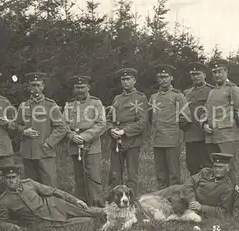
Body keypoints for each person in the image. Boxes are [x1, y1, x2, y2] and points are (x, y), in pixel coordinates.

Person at [0, 165, 102, 230]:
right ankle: (100, 220)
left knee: (88, 211)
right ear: (4, 179)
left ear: (19, 177)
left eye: (13, 177)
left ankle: (114, 213)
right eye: (8, 178)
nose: (11, 181)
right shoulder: (3, 201)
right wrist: (12, 227)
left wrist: (75, 200)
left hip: (56, 205)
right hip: (43, 221)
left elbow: (53, 191)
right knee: (87, 221)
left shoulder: (29, 184)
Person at [142, 153, 239, 220]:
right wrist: (192, 199)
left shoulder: (228, 187)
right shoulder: (206, 172)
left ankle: (142, 213)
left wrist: (201, 207)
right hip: (184, 193)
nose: (217, 170)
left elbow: (223, 212)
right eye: (215, 166)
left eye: (221, 167)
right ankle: (136, 203)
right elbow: (189, 183)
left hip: (190, 206)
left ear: (227, 168)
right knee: (146, 198)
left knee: (160, 207)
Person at [15, 72, 68, 187]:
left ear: (43, 87)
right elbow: (16, 126)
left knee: (49, 185)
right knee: (31, 186)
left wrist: (49, 143)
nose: (36, 88)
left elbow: (62, 127)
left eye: (38, 85)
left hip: (45, 153)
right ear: (29, 87)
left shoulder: (50, 105)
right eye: (33, 85)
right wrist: (24, 132)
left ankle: (52, 206)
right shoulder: (23, 106)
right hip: (28, 153)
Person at [64, 75, 107, 206]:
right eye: (77, 87)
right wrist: (71, 136)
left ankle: (97, 207)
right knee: (79, 177)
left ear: (88, 87)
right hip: (74, 145)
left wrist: (85, 137)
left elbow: (101, 124)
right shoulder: (69, 105)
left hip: (91, 145)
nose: (80, 90)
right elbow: (62, 124)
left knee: (94, 177)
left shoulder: (96, 103)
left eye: (82, 87)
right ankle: (82, 206)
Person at [107, 68, 148, 195]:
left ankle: (132, 203)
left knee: (132, 176)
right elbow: (109, 119)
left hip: (132, 142)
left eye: (128, 79)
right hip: (116, 142)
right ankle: (116, 203)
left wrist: (124, 131)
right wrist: (111, 130)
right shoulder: (117, 99)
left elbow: (142, 122)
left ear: (134, 80)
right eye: (123, 79)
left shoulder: (140, 98)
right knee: (115, 175)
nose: (125, 82)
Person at [149, 64, 190, 190]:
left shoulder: (178, 96)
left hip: (172, 139)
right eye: (160, 77)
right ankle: (161, 199)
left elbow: (185, 117)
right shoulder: (154, 97)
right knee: (160, 173)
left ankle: (175, 200)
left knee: (174, 174)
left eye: (166, 76)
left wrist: (174, 128)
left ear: (171, 78)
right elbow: (150, 117)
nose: (163, 80)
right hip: (157, 139)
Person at [183, 62, 215, 174]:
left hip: (205, 135)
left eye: (198, 74)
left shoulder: (212, 90)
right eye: (192, 74)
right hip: (190, 135)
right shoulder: (187, 93)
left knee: (208, 165)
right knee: (192, 165)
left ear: (204, 75)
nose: (195, 77)